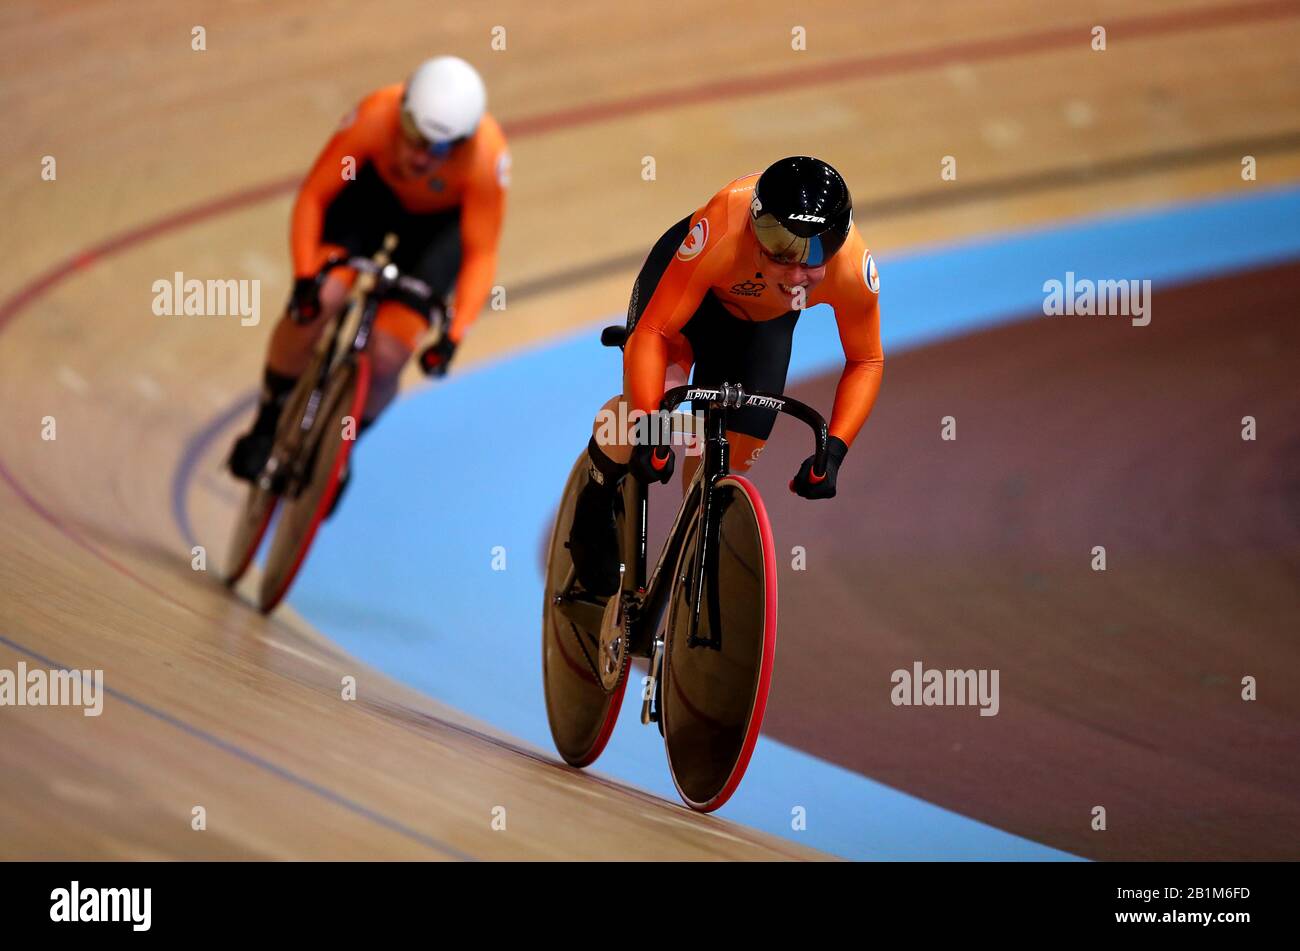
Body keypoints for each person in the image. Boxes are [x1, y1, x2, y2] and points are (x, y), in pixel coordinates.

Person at [567, 156, 884, 595]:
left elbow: (866, 361)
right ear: (755, 230)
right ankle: (595, 501)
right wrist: (648, 428)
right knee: (660, 415)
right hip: (688, 303)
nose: (795, 274)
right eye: (782, 253)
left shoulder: (852, 268)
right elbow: (655, 332)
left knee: (726, 459)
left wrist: (834, 452)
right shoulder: (723, 225)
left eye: (813, 258)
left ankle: (687, 569)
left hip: (761, 326)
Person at [228, 55, 510, 507]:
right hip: (370, 199)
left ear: (461, 143)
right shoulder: (375, 116)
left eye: (439, 150)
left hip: (437, 231)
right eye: (416, 138)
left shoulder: (485, 159)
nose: (421, 157)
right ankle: (267, 419)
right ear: (402, 116)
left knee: (389, 353)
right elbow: (314, 196)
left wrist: (454, 336)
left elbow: (481, 254)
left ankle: (338, 453)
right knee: (321, 299)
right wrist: (304, 277)